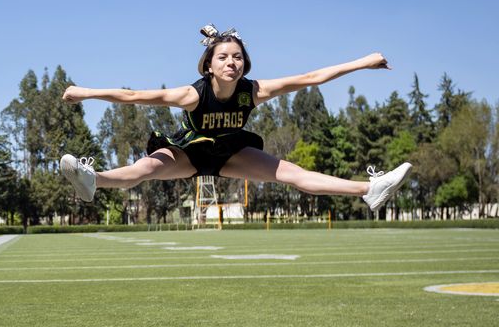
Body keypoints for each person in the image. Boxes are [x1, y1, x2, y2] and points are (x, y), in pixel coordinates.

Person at [59, 24, 411, 211]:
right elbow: (134, 97)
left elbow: (309, 78)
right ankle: (93, 178)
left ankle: (370, 189)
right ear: (209, 65)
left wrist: (363, 62)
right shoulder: (193, 94)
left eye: (238, 57)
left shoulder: (253, 91)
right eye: (224, 57)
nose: (232, 62)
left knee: (293, 174)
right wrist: (85, 91)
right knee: (144, 169)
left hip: (231, 153)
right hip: (190, 152)